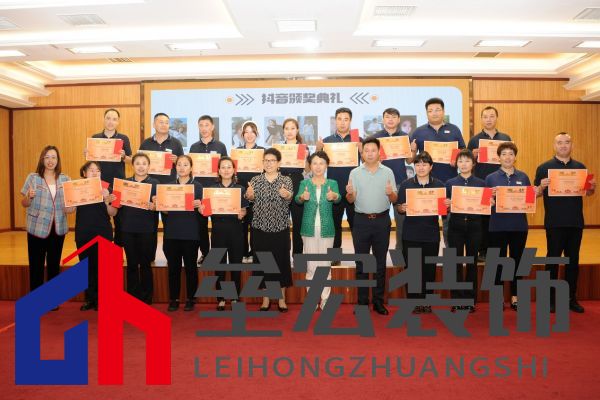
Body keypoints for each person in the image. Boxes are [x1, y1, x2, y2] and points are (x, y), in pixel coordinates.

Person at [535, 132, 596, 313]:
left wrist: (592, 188)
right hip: (554, 223)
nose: (563, 145)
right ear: (554, 146)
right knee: (552, 262)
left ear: (572, 145)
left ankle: (571, 299)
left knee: (573, 262)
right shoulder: (543, 168)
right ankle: (549, 300)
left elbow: (589, 192)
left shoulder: (581, 168)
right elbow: (535, 194)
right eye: (560, 142)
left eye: (567, 142)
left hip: (575, 222)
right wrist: (541, 187)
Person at [347, 137, 397, 315]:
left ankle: (378, 302)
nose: (369, 153)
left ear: (379, 152)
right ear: (362, 153)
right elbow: (350, 200)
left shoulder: (388, 172)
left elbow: (394, 198)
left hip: (382, 221)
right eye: (366, 150)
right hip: (361, 221)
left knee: (379, 264)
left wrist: (390, 194)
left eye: (373, 150)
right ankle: (362, 303)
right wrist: (350, 194)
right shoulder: (355, 173)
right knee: (361, 263)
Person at [21, 146, 74, 305]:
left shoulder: (66, 179)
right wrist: (29, 197)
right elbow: (24, 203)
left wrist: (73, 205)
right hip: (36, 228)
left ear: (58, 160)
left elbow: (69, 208)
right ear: (42, 159)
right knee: (36, 265)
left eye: (54, 157)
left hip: (57, 228)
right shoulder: (33, 178)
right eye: (47, 157)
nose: (50, 160)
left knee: (53, 265)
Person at [411, 98, 465, 246]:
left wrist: (456, 158)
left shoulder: (454, 129)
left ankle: (449, 254)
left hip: (449, 182)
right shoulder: (418, 132)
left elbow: (462, 150)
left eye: (437, 110)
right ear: (426, 113)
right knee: (427, 220)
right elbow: (410, 160)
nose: (434, 113)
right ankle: (429, 251)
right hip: (427, 184)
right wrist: (413, 151)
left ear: (443, 111)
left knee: (448, 223)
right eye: (430, 110)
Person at [396, 152, 446, 313]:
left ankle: (426, 301)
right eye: (417, 164)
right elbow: (398, 207)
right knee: (412, 269)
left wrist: (447, 206)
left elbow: (443, 211)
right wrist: (401, 208)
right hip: (411, 234)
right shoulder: (406, 184)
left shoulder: (439, 185)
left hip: (431, 234)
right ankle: (414, 301)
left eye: (424, 164)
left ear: (431, 167)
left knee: (429, 269)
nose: (421, 167)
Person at [245, 148, 294, 312]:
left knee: (281, 263)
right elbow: (250, 199)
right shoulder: (255, 180)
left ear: (278, 163)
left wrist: (287, 195)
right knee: (264, 264)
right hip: (260, 229)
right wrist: (250, 196)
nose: (269, 163)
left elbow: (289, 198)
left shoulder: (286, 180)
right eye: (266, 160)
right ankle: (266, 300)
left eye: (272, 160)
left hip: (280, 228)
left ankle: (281, 299)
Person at [485, 142, 531, 311]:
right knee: (496, 263)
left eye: (511, 154)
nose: (507, 157)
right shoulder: (490, 178)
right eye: (504, 154)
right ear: (499, 158)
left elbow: (529, 201)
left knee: (517, 262)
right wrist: (489, 199)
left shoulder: (523, 177)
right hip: (497, 226)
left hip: (519, 226)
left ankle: (515, 296)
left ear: (515, 157)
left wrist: (535, 193)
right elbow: (484, 203)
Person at [295, 151, 341, 310]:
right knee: (311, 266)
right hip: (308, 228)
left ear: (326, 165)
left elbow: (339, 198)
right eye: (315, 163)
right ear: (310, 165)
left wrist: (334, 196)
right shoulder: (304, 183)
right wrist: (302, 197)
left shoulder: (332, 183)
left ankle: (325, 298)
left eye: (321, 163)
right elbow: (297, 200)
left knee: (325, 265)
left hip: (327, 229)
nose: (318, 166)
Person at [316, 107, 361, 263]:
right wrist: (318, 149)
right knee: (334, 225)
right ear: (335, 120)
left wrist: (361, 149)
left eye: (346, 119)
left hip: (353, 190)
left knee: (357, 225)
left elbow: (369, 160)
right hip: (333, 190)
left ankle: (360, 257)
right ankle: (335, 257)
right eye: (340, 119)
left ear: (350, 121)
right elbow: (317, 164)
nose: (342, 122)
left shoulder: (357, 140)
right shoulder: (327, 141)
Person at [468, 106, 512, 261]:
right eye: (485, 116)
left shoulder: (505, 138)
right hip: (482, 184)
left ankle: (498, 251)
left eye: (492, 116)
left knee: (500, 217)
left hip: (502, 183)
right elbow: (467, 163)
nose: (488, 119)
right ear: (481, 119)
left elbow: (510, 159)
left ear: (496, 118)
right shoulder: (474, 140)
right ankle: (483, 251)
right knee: (483, 219)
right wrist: (473, 156)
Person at [445, 149, 486, 313]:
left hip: (475, 227)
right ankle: (456, 299)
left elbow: (485, 207)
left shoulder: (481, 183)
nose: (463, 164)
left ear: (473, 164)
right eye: (460, 161)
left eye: (467, 161)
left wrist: (489, 202)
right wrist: (446, 204)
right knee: (455, 263)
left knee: (471, 263)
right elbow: (443, 208)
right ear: (456, 164)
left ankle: (470, 300)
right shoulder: (450, 183)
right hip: (455, 226)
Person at [139, 112, 184, 261]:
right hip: (149, 188)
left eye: (166, 122)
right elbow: (140, 164)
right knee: (149, 225)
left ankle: (171, 256)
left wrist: (177, 161)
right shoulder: (146, 144)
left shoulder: (176, 143)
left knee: (169, 225)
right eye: (160, 122)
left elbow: (183, 166)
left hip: (168, 189)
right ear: (154, 124)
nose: (164, 125)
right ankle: (149, 256)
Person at [371, 107, 417, 250]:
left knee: (401, 221)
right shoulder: (376, 138)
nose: (390, 120)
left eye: (393, 117)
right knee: (379, 222)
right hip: (379, 183)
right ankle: (379, 252)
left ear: (398, 120)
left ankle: (400, 252)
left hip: (399, 183)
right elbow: (369, 160)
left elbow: (409, 161)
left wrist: (413, 149)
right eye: (387, 117)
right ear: (383, 119)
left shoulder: (404, 137)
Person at [86, 108, 133, 246]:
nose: (111, 121)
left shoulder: (123, 138)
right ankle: (101, 247)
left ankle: (118, 250)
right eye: (108, 118)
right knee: (100, 216)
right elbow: (91, 163)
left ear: (118, 122)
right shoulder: (95, 138)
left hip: (118, 184)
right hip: (99, 184)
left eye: (114, 119)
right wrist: (87, 154)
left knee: (120, 220)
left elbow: (131, 160)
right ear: (104, 119)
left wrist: (124, 156)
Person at [74, 161, 117, 311]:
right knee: (86, 268)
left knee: (102, 269)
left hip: (103, 232)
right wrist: (67, 196)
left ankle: (102, 299)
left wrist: (107, 200)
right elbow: (69, 210)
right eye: (91, 170)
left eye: (97, 170)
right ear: (84, 173)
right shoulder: (77, 188)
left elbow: (113, 213)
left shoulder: (107, 189)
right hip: (83, 233)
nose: (94, 172)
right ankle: (90, 299)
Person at [163, 155, 203, 312]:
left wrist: (199, 204)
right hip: (172, 232)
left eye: (185, 164)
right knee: (173, 269)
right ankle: (174, 299)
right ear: (175, 167)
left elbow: (204, 210)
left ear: (191, 168)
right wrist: (161, 204)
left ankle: (191, 298)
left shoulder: (198, 187)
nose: (182, 167)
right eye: (179, 164)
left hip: (190, 233)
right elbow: (165, 211)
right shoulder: (168, 186)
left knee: (190, 268)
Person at [117, 153, 158, 304]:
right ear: (132, 166)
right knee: (132, 264)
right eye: (138, 163)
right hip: (128, 229)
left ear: (149, 166)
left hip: (147, 230)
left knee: (146, 264)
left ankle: (147, 297)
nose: (141, 166)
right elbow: (116, 206)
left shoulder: (155, 183)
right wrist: (115, 201)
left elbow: (160, 206)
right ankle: (133, 297)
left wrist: (155, 206)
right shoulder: (124, 183)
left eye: (144, 163)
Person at [208, 156, 248, 311]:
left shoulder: (240, 189)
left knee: (235, 264)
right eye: (223, 167)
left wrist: (243, 213)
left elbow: (244, 210)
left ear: (233, 170)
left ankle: (235, 297)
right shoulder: (211, 189)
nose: (226, 170)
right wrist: (202, 209)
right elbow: (206, 211)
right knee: (219, 265)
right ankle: (221, 298)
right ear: (218, 170)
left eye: (229, 167)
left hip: (235, 230)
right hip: (218, 230)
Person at [189, 115, 228, 265]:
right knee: (201, 226)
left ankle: (218, 255)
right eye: (201, 125)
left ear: (212, 127)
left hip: (215, 191)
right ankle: (205, 253)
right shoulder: (193, 147)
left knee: (217, 225)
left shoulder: (220, 146)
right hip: (199, 191)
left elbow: (225, 167)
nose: (204, 128)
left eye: (207, 125)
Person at [236, 121, 265, 263]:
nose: (249, 135)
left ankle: (254, 253)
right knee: (241, 226)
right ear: (242, 134)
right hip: (240, 192)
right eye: (246, 132)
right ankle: (242, 252)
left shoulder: (262, 151)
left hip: (258, 193)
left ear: (256, 134)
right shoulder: (236, 151)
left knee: (255, 226)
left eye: (252, 131)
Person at [279, 118, 308, 257]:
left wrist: (306, 159)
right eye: (286, 128)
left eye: (292, 128)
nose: (289, 131)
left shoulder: (302, 148)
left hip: (298, 182)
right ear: (283, 131)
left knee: (298, 221)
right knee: (282, 222)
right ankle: (283, 254)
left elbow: (307, 171)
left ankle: (297, 255)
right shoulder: (278, 149)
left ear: (297, 130)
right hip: (282, 183)